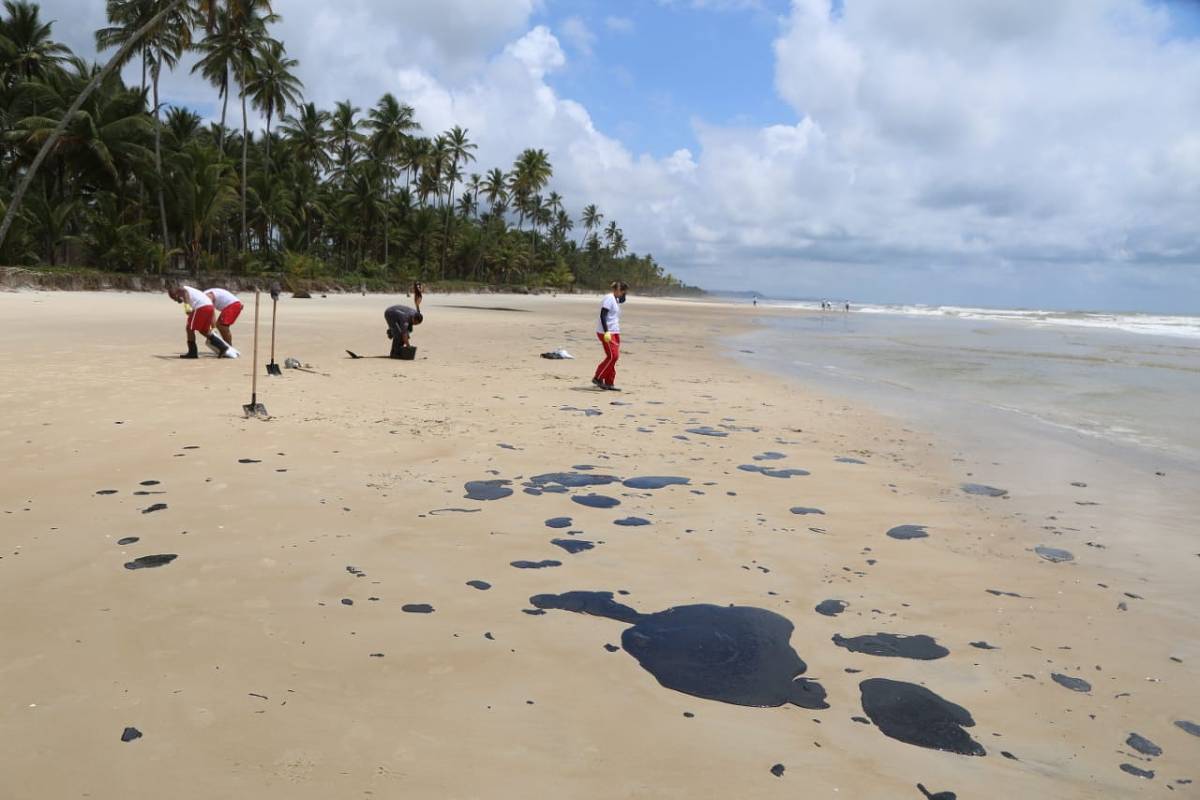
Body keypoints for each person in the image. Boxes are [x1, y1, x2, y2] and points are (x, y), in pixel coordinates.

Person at [167, 285, 237, 358]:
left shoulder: (183, 289)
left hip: (202, 307)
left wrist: (187, 307)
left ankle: (192, 352)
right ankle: (222, 347)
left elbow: (184, 292)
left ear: (175, 292)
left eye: (173, 297)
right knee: (203, 330)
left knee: (189, 328)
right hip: (208, 306)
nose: (174, 299)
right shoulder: (189, 293)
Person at [593, 281, 628, 391]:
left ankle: (609, 382)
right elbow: (603, 315)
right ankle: (598, 378)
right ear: (618, 290)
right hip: (607, 332)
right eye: (623, 292)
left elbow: (622, 300)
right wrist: (606, 331)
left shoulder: (615, 298)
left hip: (615, 332)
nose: (623, 294)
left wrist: (623, 293)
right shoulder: (609, 298)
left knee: (612, 358)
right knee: (613, 356)